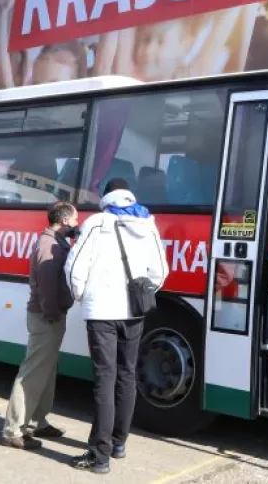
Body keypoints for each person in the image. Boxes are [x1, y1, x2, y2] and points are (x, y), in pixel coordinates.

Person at [65, 178, 168, 474]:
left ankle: (99, 455)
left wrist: (83, 296)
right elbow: (160, 271)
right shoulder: (147, 223)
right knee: (127, 374)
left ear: (106, 197)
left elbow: (74, 266)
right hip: (134, 313)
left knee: (105, 378)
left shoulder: (97, 223)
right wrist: (144, 294)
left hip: (102, 313)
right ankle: (119, 442)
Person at [1, 201, 79, 449]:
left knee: (46, 370)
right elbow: (46, 283)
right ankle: (14, 430)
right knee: (33, 372)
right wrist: (51, 311)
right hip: (47, 316)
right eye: (76, 220)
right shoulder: (49, 244)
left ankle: (38, 422)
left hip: (51, 314)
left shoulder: (56, 241)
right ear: (65, 220)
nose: (78, 225)